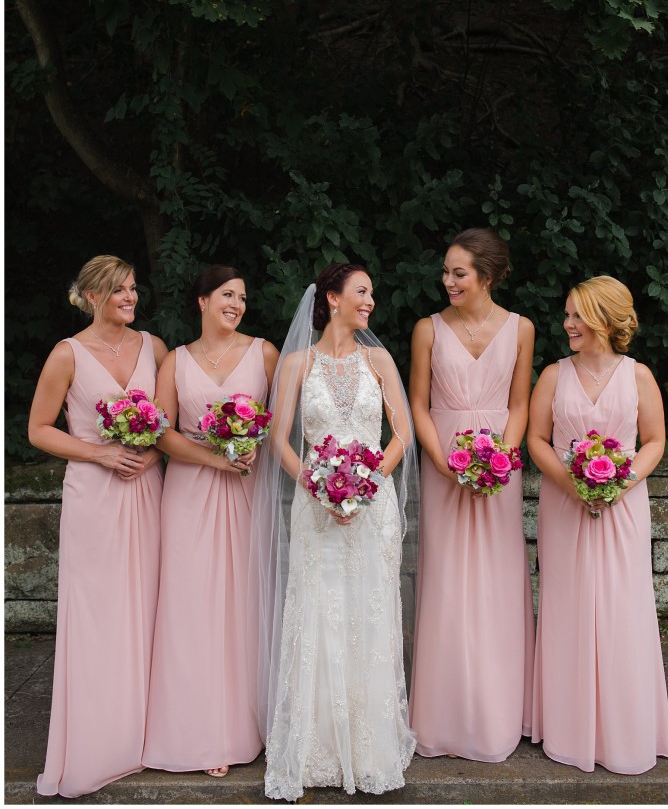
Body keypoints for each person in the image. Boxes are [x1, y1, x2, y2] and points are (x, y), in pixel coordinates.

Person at [252, 263, 418, 802]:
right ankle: (315, 746)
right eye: (362, 291)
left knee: (370, 614)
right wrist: (320, 488)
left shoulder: (380, 359)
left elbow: (403, 433)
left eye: (372, 292)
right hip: (315, 506)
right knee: (319, 612)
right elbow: (279, 440)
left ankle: (371, 747)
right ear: (332, 297)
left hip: (374, 507)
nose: (370, 301)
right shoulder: (299, 362)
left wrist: (366, 483)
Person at [29, 255, 168, 798]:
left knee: (148, 606)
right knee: (98, 613)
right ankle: (96, 741)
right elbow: (38, 429)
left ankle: (144, 736)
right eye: (118, 291)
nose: (130, 299)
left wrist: (151, 457)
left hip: (146, 492)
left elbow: (168, 424)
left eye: (133, 289)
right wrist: (98, 454)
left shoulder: (153, 348)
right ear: (91, 296)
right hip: (94, 495)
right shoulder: (66, 355)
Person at [528, 275, 668, 773]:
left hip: (622, 506)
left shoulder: (639, 376)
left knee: (620, 608)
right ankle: (568, 726)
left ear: (605, 319)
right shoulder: (552, 374)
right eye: (566, 314)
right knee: (567, 606)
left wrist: (619, 483)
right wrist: (573, 485)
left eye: (576, 315)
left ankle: (623, 728)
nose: (567, 323)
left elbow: (654, 440)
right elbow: (537, 441)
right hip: (565, 505)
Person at [142, 265, 279, 778]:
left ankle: (248, 728)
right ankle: (197, 734)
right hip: (191, 493)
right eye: (226, 295)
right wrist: (213, 457)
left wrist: (247, 446)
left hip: (247, 491)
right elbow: (162, 431)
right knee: (191, 606)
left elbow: (282, 423)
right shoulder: (175, 361)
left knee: (244, 604)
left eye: (242, 297)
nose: (236, 304)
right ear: (201, 301)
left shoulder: (264, 353)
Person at [409, 228, 535, 761]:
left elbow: (521, 404)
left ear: (487, 275)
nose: (448, 281)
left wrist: (500, 461)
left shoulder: (522, 328)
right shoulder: (427, 329)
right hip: (443, 469)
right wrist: (442, 462)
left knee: (498, 583)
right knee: (446, 582)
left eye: (458, 272)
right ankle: (442, 717)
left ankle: (499, 713)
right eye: (445, 272)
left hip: (497, 474)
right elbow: (416, 402)